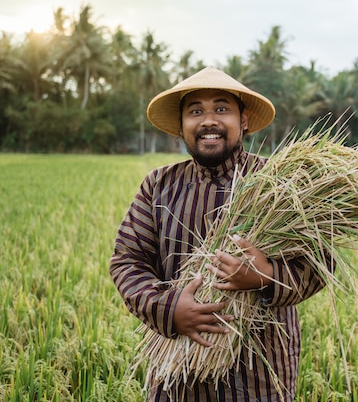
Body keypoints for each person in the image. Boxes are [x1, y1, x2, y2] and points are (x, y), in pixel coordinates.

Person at [110, 67, 327, 401]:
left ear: (244, 120)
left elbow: (320, 263)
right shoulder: (159, 185)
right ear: (181, 126)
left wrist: (266, 276)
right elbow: (128, 260)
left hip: (261, 370)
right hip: (176, 368)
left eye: (221, 109)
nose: (208, 120)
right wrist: (168, 309)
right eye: (195, 111)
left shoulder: (281, 184)